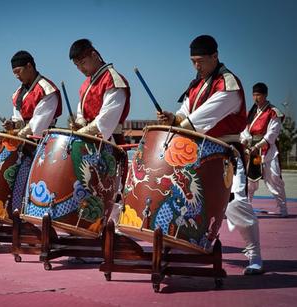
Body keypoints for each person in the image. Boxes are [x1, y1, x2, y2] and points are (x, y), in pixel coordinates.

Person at [156, 35, 264, 275]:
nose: (196, 66)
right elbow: (184, 112)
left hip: (226, 153)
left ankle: (254, 255)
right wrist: (171, 118)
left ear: (215, 56)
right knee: (184, 199)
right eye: (193, 61)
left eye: (201, 61)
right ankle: (181, 246)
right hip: (198, 151)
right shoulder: (196, 84)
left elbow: (201, 119)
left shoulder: (228, 84)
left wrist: (180, 122)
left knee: (237, 205)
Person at [68, 39, 130, 144]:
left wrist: (80, 133)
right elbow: (81, 114)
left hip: (109, 142)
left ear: (94, 55)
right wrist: (79, 124)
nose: (81, 69)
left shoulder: (113, 80)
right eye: (77, 65)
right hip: (86, 140)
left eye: (83, 63)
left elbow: (105, 120)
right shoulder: (86, 84)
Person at [241, 82, 288, 217]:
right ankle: (247, 208)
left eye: (259, 95)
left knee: (274, 178)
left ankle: (283, 209)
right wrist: (246, 140)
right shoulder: (252, 112)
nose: (256, 98)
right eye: (254, 95)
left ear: (265, 95)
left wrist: (258, 145)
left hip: (268, 150)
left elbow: (272, 133)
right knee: (250, 180)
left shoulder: (273, 112)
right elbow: (245, 129)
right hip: (252, 150)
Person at [2, 51, 62, 138]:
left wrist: (20, 134)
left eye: (18, 71)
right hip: (24, 138)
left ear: (29, 66)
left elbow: (38, 124)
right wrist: (13, 124)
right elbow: (19, 119)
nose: (17, 76)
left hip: (42, 139)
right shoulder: (17, 94)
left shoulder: (46, 90)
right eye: (14, 73)